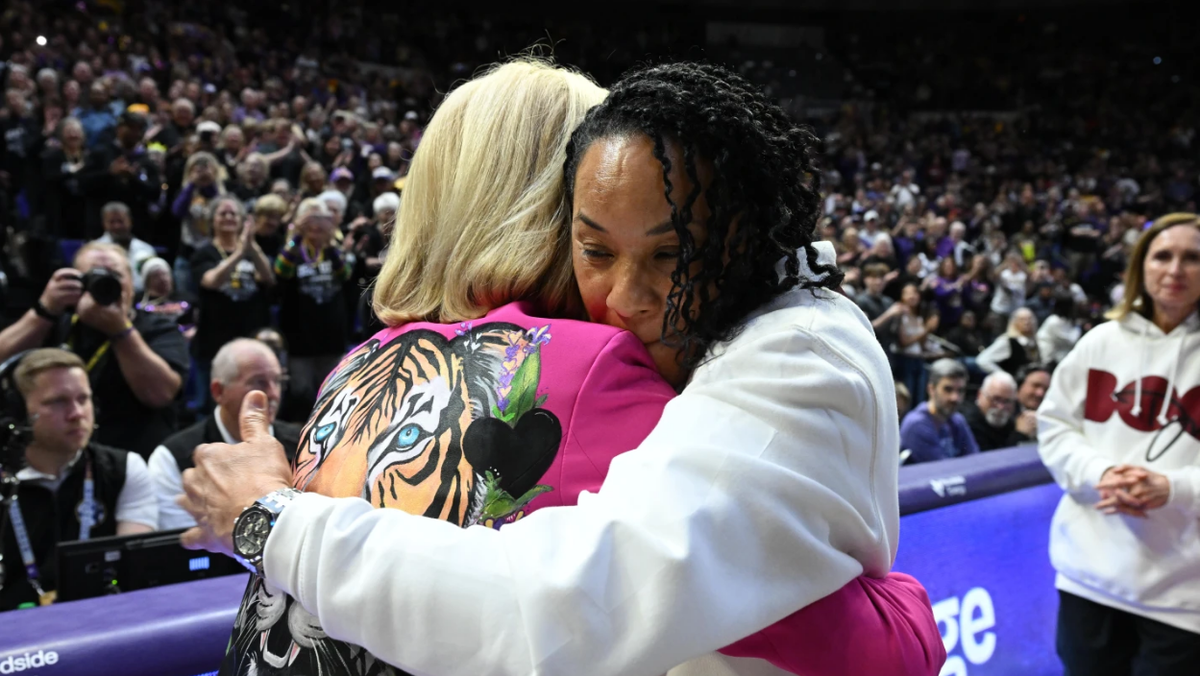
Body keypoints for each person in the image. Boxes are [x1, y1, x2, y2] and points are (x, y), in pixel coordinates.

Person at [179, 61, 942, 676]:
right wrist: (900, 612)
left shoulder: (358, 368)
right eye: (597, 246)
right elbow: (789, 623)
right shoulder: (588, 366)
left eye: (670, 248)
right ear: (560, 207)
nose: (629, 293)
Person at [1038, 213, 1200, 673]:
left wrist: (1174, 488)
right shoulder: (1101, 341)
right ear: (1141, 267)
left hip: (1186, 597)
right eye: (1162, 255)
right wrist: (1101, 474)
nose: (1175, 270)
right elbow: (1054, 426)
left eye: (1192, 258)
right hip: (1089, 575)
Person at [0, 349, 157, 610]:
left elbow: (134, 573)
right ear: (19, 413)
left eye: (83, 399)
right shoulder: (6, 480)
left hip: (98, 623)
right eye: (57, 401)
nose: (77, 413)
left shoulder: (124, 468)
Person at [0, 243, 189, 458]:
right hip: (58, 462)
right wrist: (44, 310)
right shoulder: (57, 322)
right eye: (92, 276)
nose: (105, 282)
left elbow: (161, 394)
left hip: (133, 461)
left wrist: (120, 330)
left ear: (131, 282)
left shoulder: (160, 329)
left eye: (115, 275)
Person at [150, 339, 300, 530]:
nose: (273, 394)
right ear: (218, 391)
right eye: (259, 382)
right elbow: (179, 544)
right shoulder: (172, 457)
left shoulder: (304, 445)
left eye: (278, 382)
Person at [190, 196, 275, 410]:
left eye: (233, 214)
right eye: (222, 213)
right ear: (213, 220)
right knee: (212, 406)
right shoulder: (204, 252)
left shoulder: (252, 251)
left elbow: (268, 278)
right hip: (214, 341)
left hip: (250, 334)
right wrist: (239, 253)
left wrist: (252, 247)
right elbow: (211, 281)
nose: (228, 217)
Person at [273, 198, 352, 416]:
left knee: (331, 391)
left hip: (331, 336)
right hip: (300, 338)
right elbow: (281, 272)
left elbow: (346, 274)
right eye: (310, 218)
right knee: (302, 393)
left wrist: (329, 242)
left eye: (320, 218)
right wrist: (297, 235)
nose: (315, 225)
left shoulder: (333, 249)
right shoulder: (293, 249)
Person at [900, 358, 979, 464]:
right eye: (948, 389)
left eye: (960, 390)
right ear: (931, 389)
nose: (955, 398)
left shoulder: (957, 420)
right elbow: (945, 473)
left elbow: (976, 461)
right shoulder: (917, 424)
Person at [962, 371, 1036, 451]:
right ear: (980, 395)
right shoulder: (968, 422)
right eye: (996, 399)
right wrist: (1019, 435)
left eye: (1007, 401)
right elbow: (992, 460)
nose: (1001, 407)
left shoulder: (1010, 419)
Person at [94, 201, 156, 293]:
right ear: (104, 224)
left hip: (142, 300)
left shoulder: (146, 249)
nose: (117, 226)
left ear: (130, 221)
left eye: (120, 221)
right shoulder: (93, 250)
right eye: (111, 222)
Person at [977, 307, 1041, 375]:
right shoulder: (1007, 341)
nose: (1027, 322)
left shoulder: (1036, 340)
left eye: (1029, 319)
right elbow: (983, 360)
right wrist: (1004, 376)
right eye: (1022, 319)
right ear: (1014, 322)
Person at [1037, 294, 1082, 365]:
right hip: (1049, 357)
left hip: (1061, 355)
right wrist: (1078, 327)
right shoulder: (1053, 321)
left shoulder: (1067, 320)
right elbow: (1070, 340)